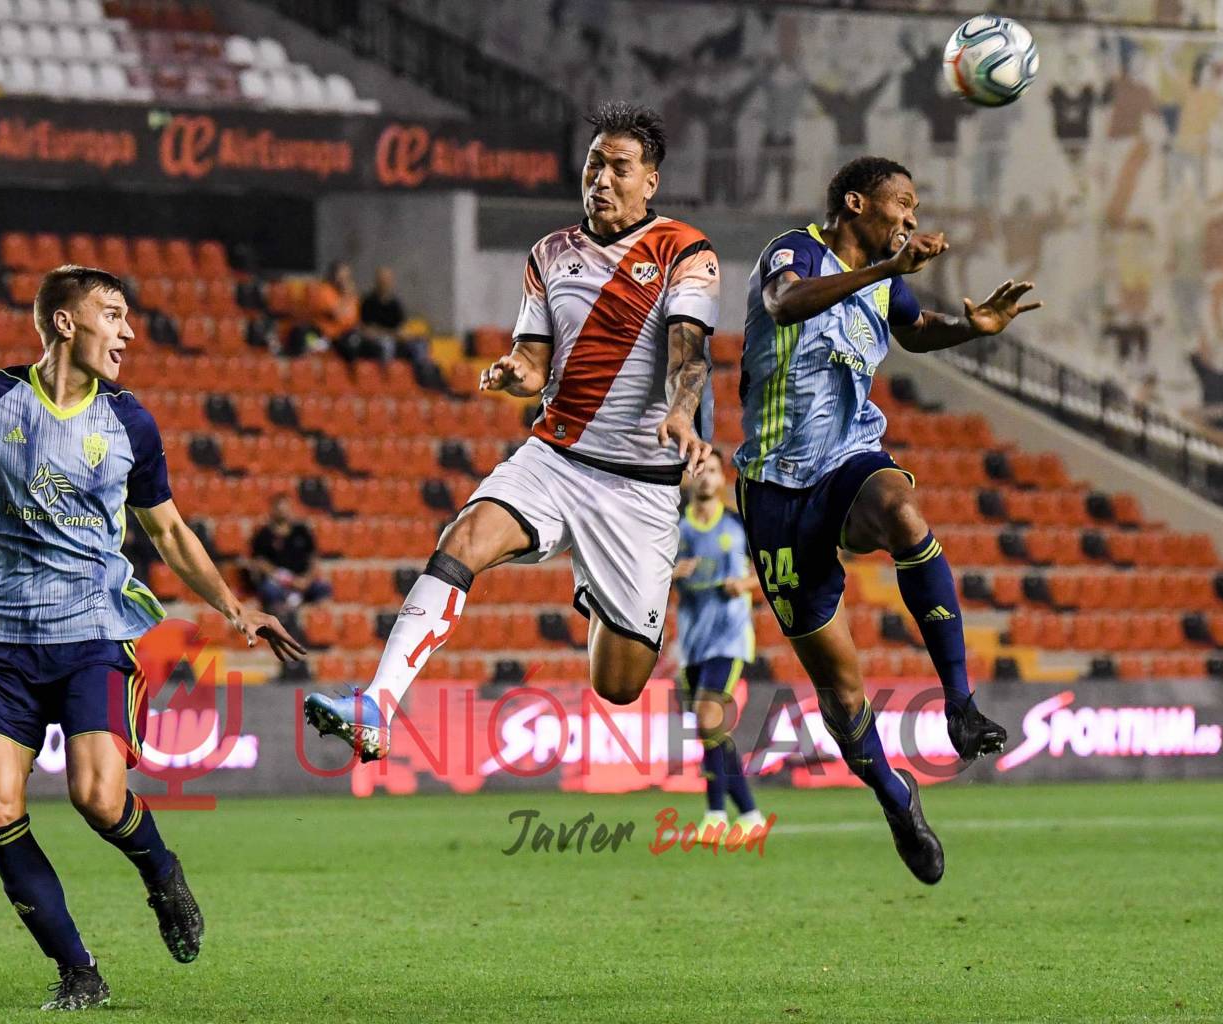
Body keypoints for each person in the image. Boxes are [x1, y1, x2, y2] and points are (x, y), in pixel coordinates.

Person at [0, 265, 307, 1010]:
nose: (127, 331)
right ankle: (78, 970)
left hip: (93, 635)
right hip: (0, 640)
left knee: (95, 796)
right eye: (112, 315)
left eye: (126, 318)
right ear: (64, 323)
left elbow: (169, 530)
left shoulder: (129, 422)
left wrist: (232, 606)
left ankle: (160, 870)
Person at [306, 101, 719, 761]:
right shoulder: (550, 253)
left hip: (639, 488)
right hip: (555, 458)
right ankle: (376, 704)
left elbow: (690, 349)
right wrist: (515, 373)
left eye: (619, 168)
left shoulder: (684, 249)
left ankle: (608, 589)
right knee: (462, 536)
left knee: (617, 684)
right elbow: (534, 363)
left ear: (651, 182)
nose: (602, 180)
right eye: (594, 166)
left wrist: (680, 408)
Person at [737, 157, 1040, 884]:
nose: (909, 216)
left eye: (912, 207)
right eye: (900, 203)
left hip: (848, 462)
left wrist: (973, 328)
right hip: (776, 492)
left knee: (904, 512)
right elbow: (783, 305)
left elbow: (915, 330)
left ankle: (961, 708)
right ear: (855, 202)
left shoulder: (883, 280)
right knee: (841, 692)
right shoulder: (795, 251)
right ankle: (895, 797)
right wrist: (884, 270)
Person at [672, 448, 763, 837]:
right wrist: (670, 571)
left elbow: (768, 571)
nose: (706, 477)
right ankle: (750, 816)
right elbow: (647, 574)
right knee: (711, 731)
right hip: (692, 640)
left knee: (709, 719)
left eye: (712, 470)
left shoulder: (738, 526)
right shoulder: (673, 527)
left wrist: (744, 584)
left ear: (723, 479)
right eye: (699, 470)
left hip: (729, 637)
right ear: (687, 479)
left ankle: (714, 817)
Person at [244, 494, 331, 614]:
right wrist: (288, 580)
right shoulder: (263, 535)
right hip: (277, 582)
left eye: (286, 508)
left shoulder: (302, 531)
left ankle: (314, 620)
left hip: (303, 581)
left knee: (323, 588)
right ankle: (284, 618)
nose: (283, 512)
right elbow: (260, 562)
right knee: (268, 590)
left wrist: (306, 580)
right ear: (273, 510)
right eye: (279, 509)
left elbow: (313, 558)